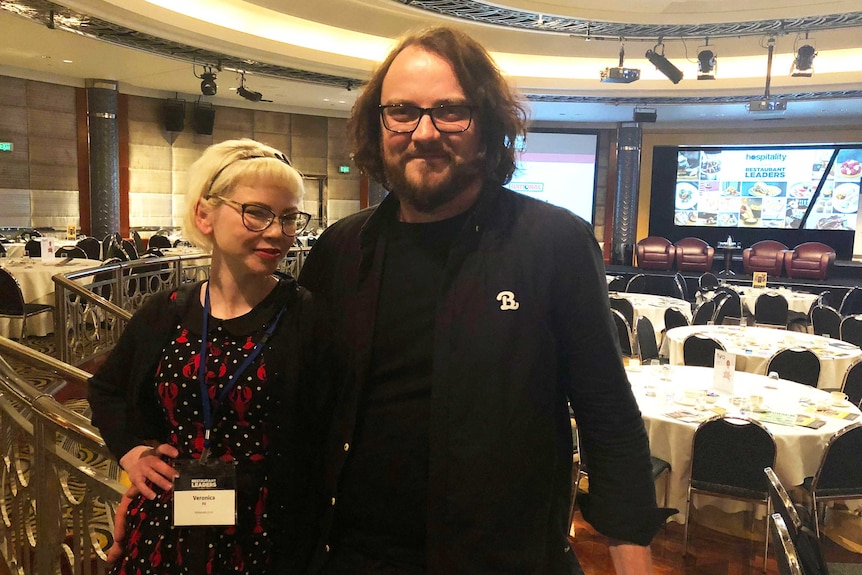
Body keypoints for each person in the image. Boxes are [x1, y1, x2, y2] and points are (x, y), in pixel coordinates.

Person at [296, 26, 674, 574]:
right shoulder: (342, 247)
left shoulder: (555, 243)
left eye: (450, 111)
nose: (424, 132)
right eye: (402, 110)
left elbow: (607, 411)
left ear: (487, 125)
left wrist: (631, 557)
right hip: (354, 554)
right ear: (378, 125)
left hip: (503, 557)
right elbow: (302, 400)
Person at [89, 138, 325, 574]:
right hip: (168, 522)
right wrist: (131, 455)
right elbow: (106, 389)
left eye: (290, 217)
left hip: (269, 531)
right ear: (205, 214)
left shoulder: (308, 317)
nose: (277, 232)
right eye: (256, 212)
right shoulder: (166, 310)